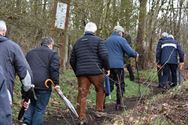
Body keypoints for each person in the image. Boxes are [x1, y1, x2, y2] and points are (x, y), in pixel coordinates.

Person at [70, 22, 110, 125]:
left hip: (82, 73)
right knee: (100, 90)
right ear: (94, 31)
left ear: (85, 30)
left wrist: (77, 71)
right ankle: (99, 111)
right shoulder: (98, 41)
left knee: (82, 94)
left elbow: (72, 60)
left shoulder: (77, 42)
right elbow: (104, 55)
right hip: (96, 72)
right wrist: (107, 68)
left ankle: (81, 118)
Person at [0, 20, 33, 124]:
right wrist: (26, 96)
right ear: (3, 32)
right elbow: (26, 76)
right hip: (3, 95)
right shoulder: (13, 47)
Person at [23, 37, 60, 125]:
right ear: (50, 45)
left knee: (31, 104)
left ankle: (26, 122)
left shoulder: (30, 53)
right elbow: (54, 69)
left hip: (29, 83)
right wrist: (56, 83)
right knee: (40, 108)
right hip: (44, 84)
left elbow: (24, 68)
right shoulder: (53, 54)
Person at [105, 25, 138, 110]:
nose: (122, 35)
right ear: (119, 32)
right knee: (120, 84)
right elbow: (129, 51)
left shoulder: (107, 40)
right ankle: (119, 104)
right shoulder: (121, 40)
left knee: (109, 85)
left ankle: (101, 104)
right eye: (122, 33)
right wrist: (135, 54)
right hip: (118, 66)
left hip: (107, 66)